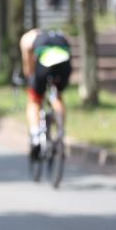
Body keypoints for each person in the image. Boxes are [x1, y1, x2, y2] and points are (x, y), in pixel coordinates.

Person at [19, 28, 72, 159]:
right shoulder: (61, 34)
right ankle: (60, 131)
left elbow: (28, 65)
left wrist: (29, 79)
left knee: (34, 100)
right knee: (57, 96)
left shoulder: (28, 37)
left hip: (44, 65)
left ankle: (35, 134)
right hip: (64, 64)